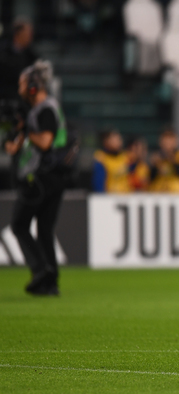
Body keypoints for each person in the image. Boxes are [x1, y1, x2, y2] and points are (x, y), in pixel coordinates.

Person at [4, 60, 68, 295]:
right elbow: (14, 147)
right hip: (53, 178)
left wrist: (25, 130)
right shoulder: (42, 109)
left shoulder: (44, 109)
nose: (20, 88)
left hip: (41, 178)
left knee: (20, 225)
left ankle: (41, 270)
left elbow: (45, 141)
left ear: (33, 85)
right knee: (44, 229)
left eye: (23, 83)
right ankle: (50, 282)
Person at [0, 18, 38, 101]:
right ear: (18, 33)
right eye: (28, 33)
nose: (31, 36)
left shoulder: (32, 56)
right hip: (4, 98)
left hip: (24, 101)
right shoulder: (3, 52)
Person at [149, 127, 179, 193]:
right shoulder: (157, 157)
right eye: (165, 138)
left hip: (177, 196)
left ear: (176, 140)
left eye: (170, 138)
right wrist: (154, 165)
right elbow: (150, 178)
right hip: (159, 195)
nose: (168, 142)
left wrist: (171, 158)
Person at [92, 129, 130, 193]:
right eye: (115, 139)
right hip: (110, 198)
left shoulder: (125, 156)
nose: (119, 142)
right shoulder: (101, 158)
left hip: (127, 197)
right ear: (106, 141)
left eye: (119, 139)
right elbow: (98, 184)